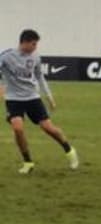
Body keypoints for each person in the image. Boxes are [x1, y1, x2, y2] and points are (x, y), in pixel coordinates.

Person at [1, 30, 79, 175]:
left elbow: (40, 77)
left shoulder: (35, 57)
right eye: (34, 44)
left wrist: (49, 97)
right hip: (13, 99)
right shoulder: (6, 56)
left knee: (49, 128)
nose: (35, 47)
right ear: (24, 42)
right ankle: (28, 162)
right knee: (18, 128)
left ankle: (69, 150)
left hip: (32, 98)